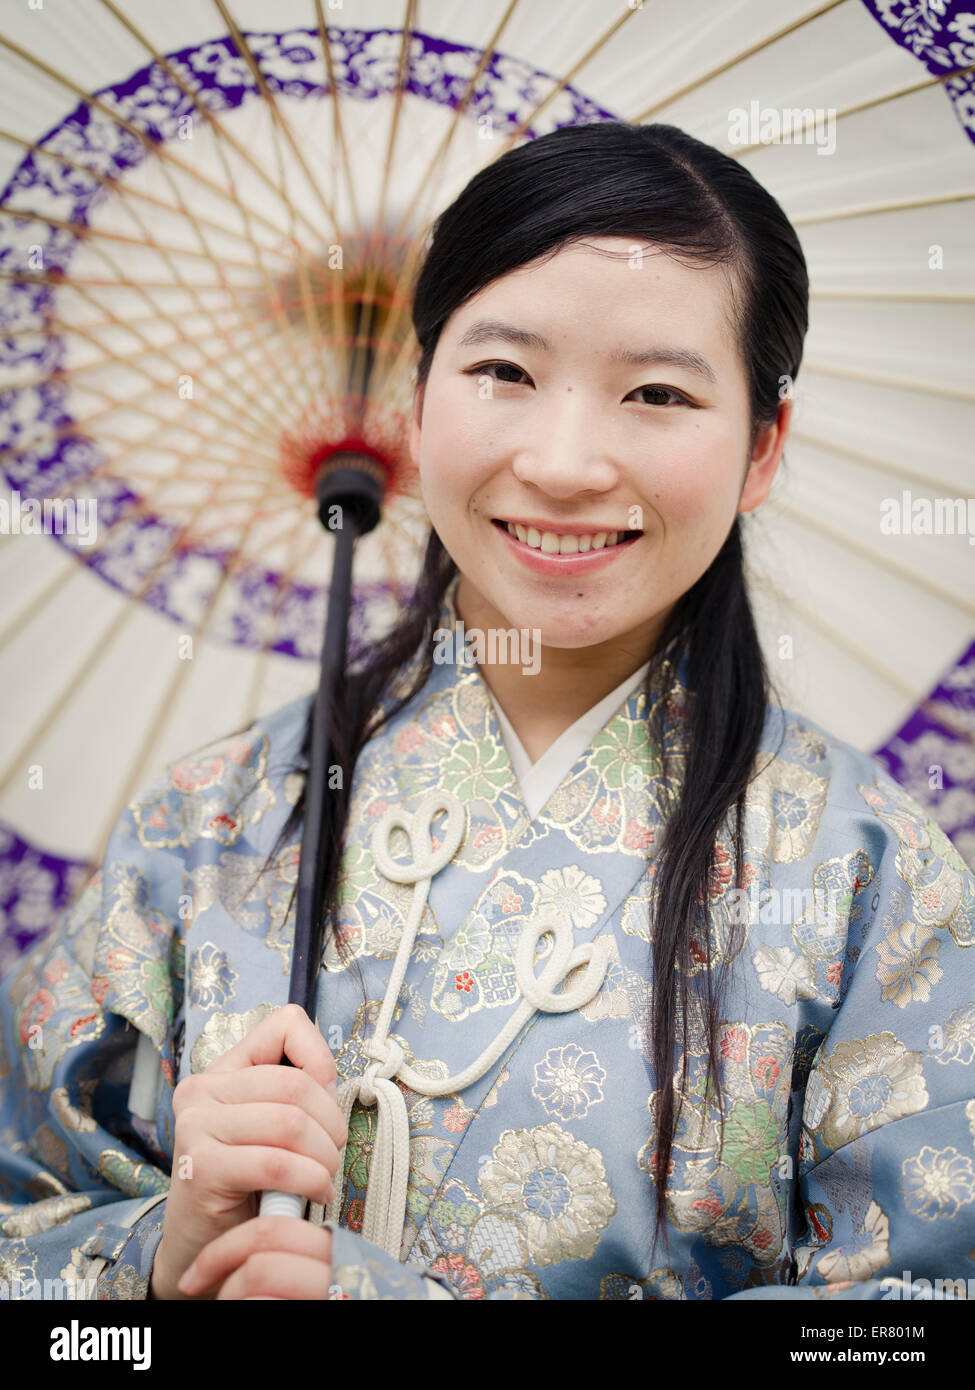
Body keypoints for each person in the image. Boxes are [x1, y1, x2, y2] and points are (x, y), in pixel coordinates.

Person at [2, 120, 974, 1303]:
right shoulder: (208, 827)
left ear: (763, 446)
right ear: (417, 404)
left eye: (657, 392)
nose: (564, 462)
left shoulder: (872, 877)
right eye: (504, 372)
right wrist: (160, 1261)